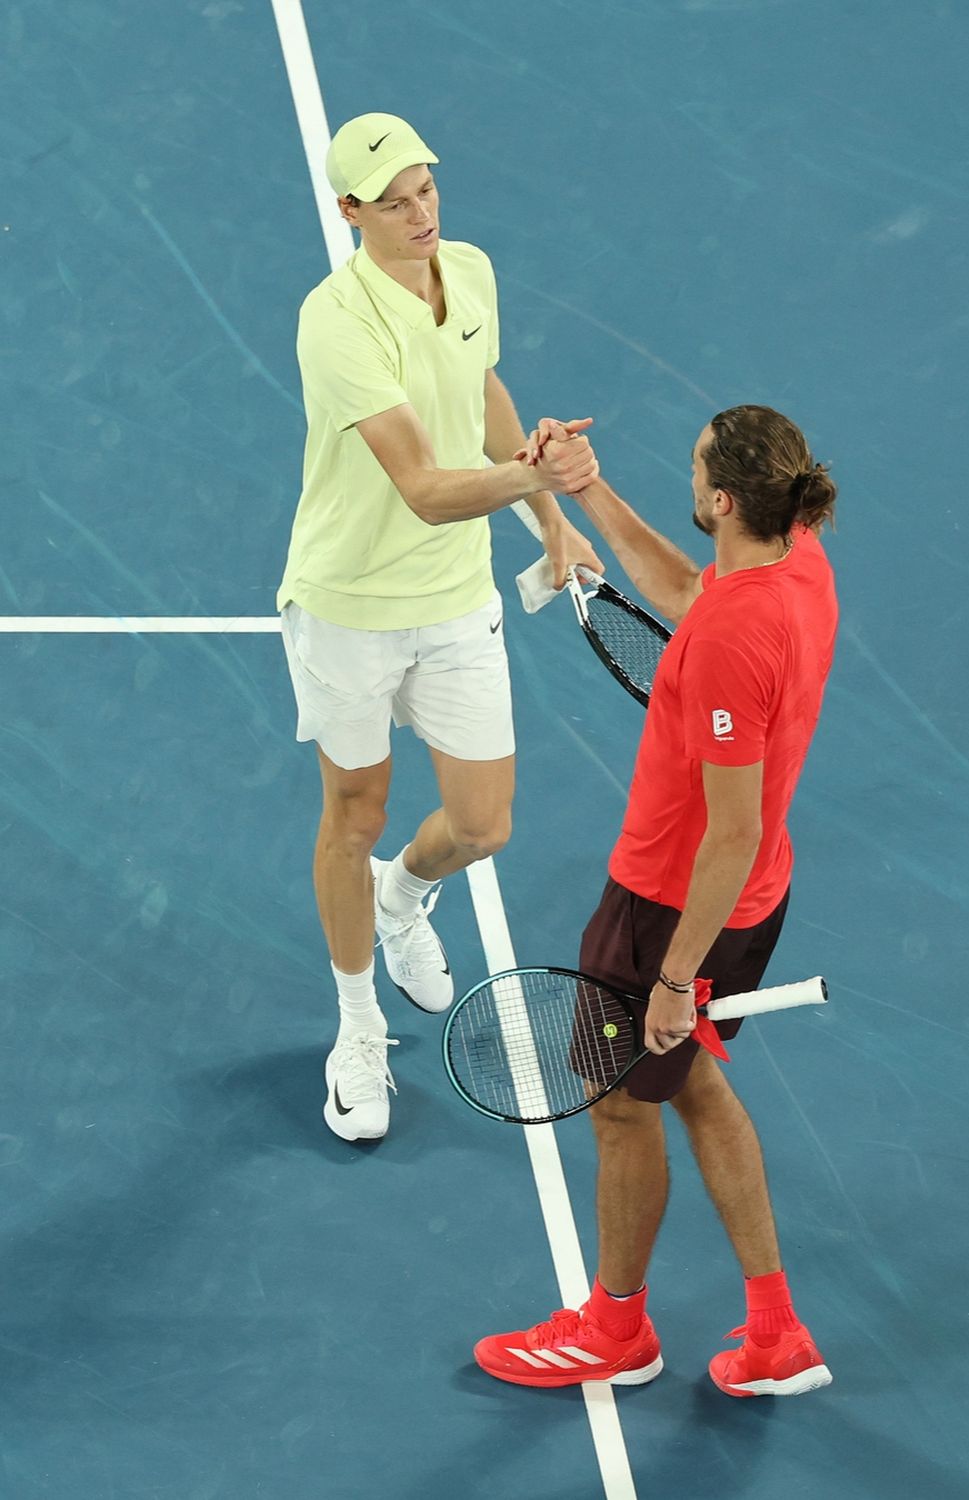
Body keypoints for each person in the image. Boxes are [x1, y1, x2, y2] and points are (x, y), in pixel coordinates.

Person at [473, 404, 839, 1397]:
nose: (687, 479)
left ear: (721, 501)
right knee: (699, 1088)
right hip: (755, 904)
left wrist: (674, 976)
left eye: (695, 472)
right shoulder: (799, 561)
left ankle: (616, 1331)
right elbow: (686, 584)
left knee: (620, 1111)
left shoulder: (730, 638)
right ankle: (776, 1335)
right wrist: (582, 489)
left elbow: (731, 828)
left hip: (670, 909)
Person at [277, 113, 602, 1143]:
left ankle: (402, 900)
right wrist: (533, 478)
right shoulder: (337, 322)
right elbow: (420, 486)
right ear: (349, 214)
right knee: (355, 814)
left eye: (427, 189)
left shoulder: (468, 271)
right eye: (395, 200)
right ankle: (357, 1026)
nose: (421, 212)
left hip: (457, 602)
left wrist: (549, 518)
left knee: (481, 825)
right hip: (351, 606)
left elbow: (483, 388)